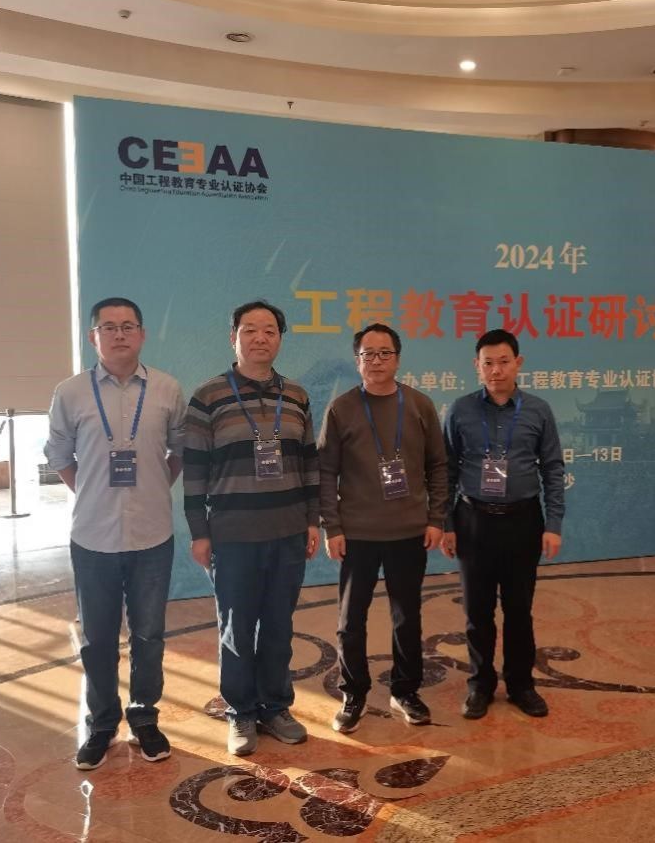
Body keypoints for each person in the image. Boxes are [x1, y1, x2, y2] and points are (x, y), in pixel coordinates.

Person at [44, 297, 187, 771]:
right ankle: (103, 723)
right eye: (109, 327)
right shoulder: (70, 392)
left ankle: (144, 717)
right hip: (93, 537)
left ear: (142, 334)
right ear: (94, 337)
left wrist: (151, 489)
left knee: (148, 634)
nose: (119, 334)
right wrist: (92, 493)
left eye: (128, 326)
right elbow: (59, 457)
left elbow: (179, 452)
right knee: (98, 638)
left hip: (152, 535)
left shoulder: (167, 389)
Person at [183, 300, 320, 756]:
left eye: (269, 330)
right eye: (249, 329)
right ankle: (240, 711)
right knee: (236, 629)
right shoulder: (208, 396)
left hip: (288, 531)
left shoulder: (297, 396)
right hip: (234, 534)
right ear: (233, 337)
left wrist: (312, 520)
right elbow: (195, 470)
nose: (260, 337)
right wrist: (199, 532)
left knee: (279, 625)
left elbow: (309, 464)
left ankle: (275, 707)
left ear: (280, 339)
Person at [318, 323, 448, 734]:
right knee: (350, 621)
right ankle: (353, 693)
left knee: (406, 617)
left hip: (409, 531)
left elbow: (438, 466)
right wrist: (332, 527)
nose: (376, 361)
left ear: (398, 358)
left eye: (384, 353)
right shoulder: (341, 409)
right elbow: (326, 473)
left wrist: (436, 518)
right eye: (368, 354)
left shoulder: (420, 405)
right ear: (357, 360)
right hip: (357, 534)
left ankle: (405, 690)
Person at [441, 329, 565, 720]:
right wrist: (446, 522)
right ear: (477, 366)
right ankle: (480, 685)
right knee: (477, 613)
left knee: (518, 610)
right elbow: (446, 470)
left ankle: (521, 685)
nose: (496, 370)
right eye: (488, 363)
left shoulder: (538, 410)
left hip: (523, 522)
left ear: (518, 363)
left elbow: (553, 469)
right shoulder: (460, 410)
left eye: (504, 362)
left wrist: (554, 523)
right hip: (473, 521)